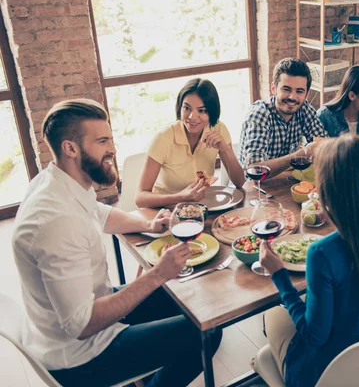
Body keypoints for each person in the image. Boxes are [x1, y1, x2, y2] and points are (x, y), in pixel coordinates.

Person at [12, 99, 221, 387]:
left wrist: (149, 224)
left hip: (84, 314)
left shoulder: (57, 182)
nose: (112, 148)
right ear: (70, 148)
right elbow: (82, 325)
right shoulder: (55, 222)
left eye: (110, 138)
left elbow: (100, 213)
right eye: (102, 141)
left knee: (187, 297)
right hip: (80, 356)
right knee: (208, 332)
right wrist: (158, 274)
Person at [256, 134, 359, 387]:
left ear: (328, 193)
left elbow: (314, 336)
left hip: (326, 376)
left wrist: (280, 277)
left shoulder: (323, 253)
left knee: (272, 315)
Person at [135, 78, 245, 209]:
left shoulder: (219, 129)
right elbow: (140, 198)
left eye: (202, 110)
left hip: (203, 209)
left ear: (212, 112)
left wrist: (225, 150)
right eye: (187, 108)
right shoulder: (163, 138)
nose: (192, 117)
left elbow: (240, 182)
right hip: (165, 212)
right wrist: (181, 197)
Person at [238, 58, 328, 178]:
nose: (292, 97)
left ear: (306, 94)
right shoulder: (260, 114)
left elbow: (324, 144)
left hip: (286, 180)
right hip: (255, 188)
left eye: (299, 91)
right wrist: (300, 155)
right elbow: (255, 168)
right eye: (286, 89)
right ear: (274, 88)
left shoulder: (303, 108)